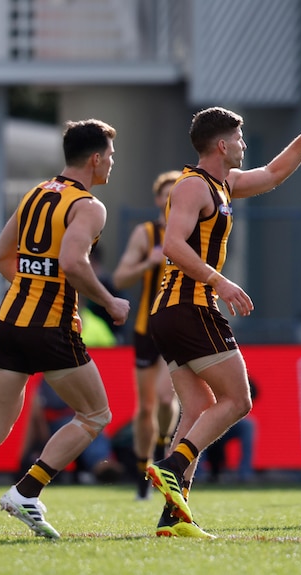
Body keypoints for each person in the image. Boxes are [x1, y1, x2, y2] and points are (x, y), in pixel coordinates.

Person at [0, 119, 130, 543]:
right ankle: (28, 490)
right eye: (110, 155)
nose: (112, 163)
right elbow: (74, 263)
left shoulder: (37, 193)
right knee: (96, 415)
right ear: (95, 159)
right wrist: (109, 302)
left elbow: (2, 257)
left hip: (11, 322)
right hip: (51, 326)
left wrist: (31, 286)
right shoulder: (89, 206)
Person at [146, 82, 301, 538]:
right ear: (223, 144)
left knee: (196, 410)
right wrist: (220, 280)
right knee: (239, 399)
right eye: (241, 139)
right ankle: (173, 466)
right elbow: (171, 244)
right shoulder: (193, 186)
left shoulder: (221, 183)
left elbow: (271, 175)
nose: (245, 146)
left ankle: (174, 516)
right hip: (189, 306)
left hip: (173, 311)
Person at [112, 170, 182, 500]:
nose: (170, 201)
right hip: (146, 328)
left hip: (178, 327)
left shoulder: (190, 230)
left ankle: (162, 446)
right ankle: (143, 469)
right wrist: (148, 264)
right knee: (145, 409)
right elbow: (121, 277)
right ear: (157, 199)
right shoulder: (146, 234)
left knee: (167, 400)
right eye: (165, 195)